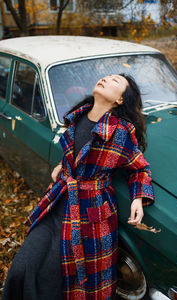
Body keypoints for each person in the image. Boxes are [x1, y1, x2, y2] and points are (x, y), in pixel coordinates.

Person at [2, 74, 155, 300]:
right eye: (106, 76)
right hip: (58, 204)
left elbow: (139, 169)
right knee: (23, 266)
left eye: (115, 81)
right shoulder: (77, 117)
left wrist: (138, 198)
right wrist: (63, 167)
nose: (105, 79)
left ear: (120, 100)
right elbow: (76, 156)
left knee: (71, 282)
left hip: (90, 216)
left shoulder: (120, 132)